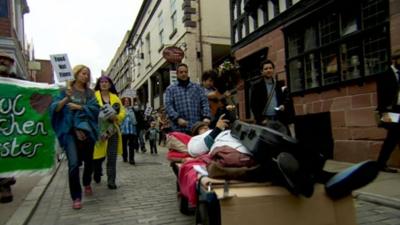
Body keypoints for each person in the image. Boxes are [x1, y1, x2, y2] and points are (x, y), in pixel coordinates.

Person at [49, 64, 100, 209]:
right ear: (76, 74)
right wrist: (67, 98)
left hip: (86, 130)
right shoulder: (64, 90)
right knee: (73, 164)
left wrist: (79, 107)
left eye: (87, 74)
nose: (85, 76)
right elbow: (55, 109)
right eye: (83, 73)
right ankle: (76, 197)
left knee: (89, 162)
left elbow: (95, 109)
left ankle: (86, 182)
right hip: (70, 131)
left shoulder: (90, 93)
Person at [93, 76, 126, 189]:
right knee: (98, 157)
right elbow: (91, 109)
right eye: (101, 82)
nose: (104, 84)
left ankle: (111, 180)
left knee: (111, 157)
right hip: (99, 131)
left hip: (112, 131)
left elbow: (122, 112)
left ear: (110, 84)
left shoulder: (115, 98)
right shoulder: (94, 96)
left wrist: (116, 117)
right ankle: (97, 171)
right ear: (99, 84)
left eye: (106, 82)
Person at [165, 63, 211, 134]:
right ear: (177, 74)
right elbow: (168, 106)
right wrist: (177, 118)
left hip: (196, 127)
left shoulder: (197, 87)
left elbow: (204, 102)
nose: (184, 74)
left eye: (185, 72)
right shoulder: (170, 89)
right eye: (181, 72)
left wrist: (206, 116)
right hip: (179, 129)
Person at [376, 49, 400, 173]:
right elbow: (381, 98)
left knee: (392, 138)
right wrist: (384, 116)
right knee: (392, 137)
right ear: (394, 60)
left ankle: (380, 164)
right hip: (390, 112)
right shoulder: (384, 75)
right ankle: (380, 163)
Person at [250, 59, 290, 127]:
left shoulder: (278, 84)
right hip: (265, 121)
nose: (268, 70)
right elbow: (253, 105)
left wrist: (283, 105)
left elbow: (285, 98)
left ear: (273, 70)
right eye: (266, 69)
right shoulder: (256, 86)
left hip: (278, 119)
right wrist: (261, 120)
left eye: (270, 68)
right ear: (262, 71)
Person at [0, 51, 18, 204]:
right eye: (1, 60)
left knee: (6, 152)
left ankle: (5, 185)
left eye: (7, 60)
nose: (3, 62)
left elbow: (34, 90)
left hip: (9, 125)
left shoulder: (16, 81)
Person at [120, 97, 138, 165]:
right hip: (124, 130)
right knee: (124, 145)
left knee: (131, 145)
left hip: (131, 130)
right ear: (123, 102)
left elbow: (135, 119)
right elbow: (119, 119)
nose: (127, 102)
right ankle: (124, 156)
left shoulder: (132, 109)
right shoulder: (121, 109)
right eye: (125, 101)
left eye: (128, 101)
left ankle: (131, 159)